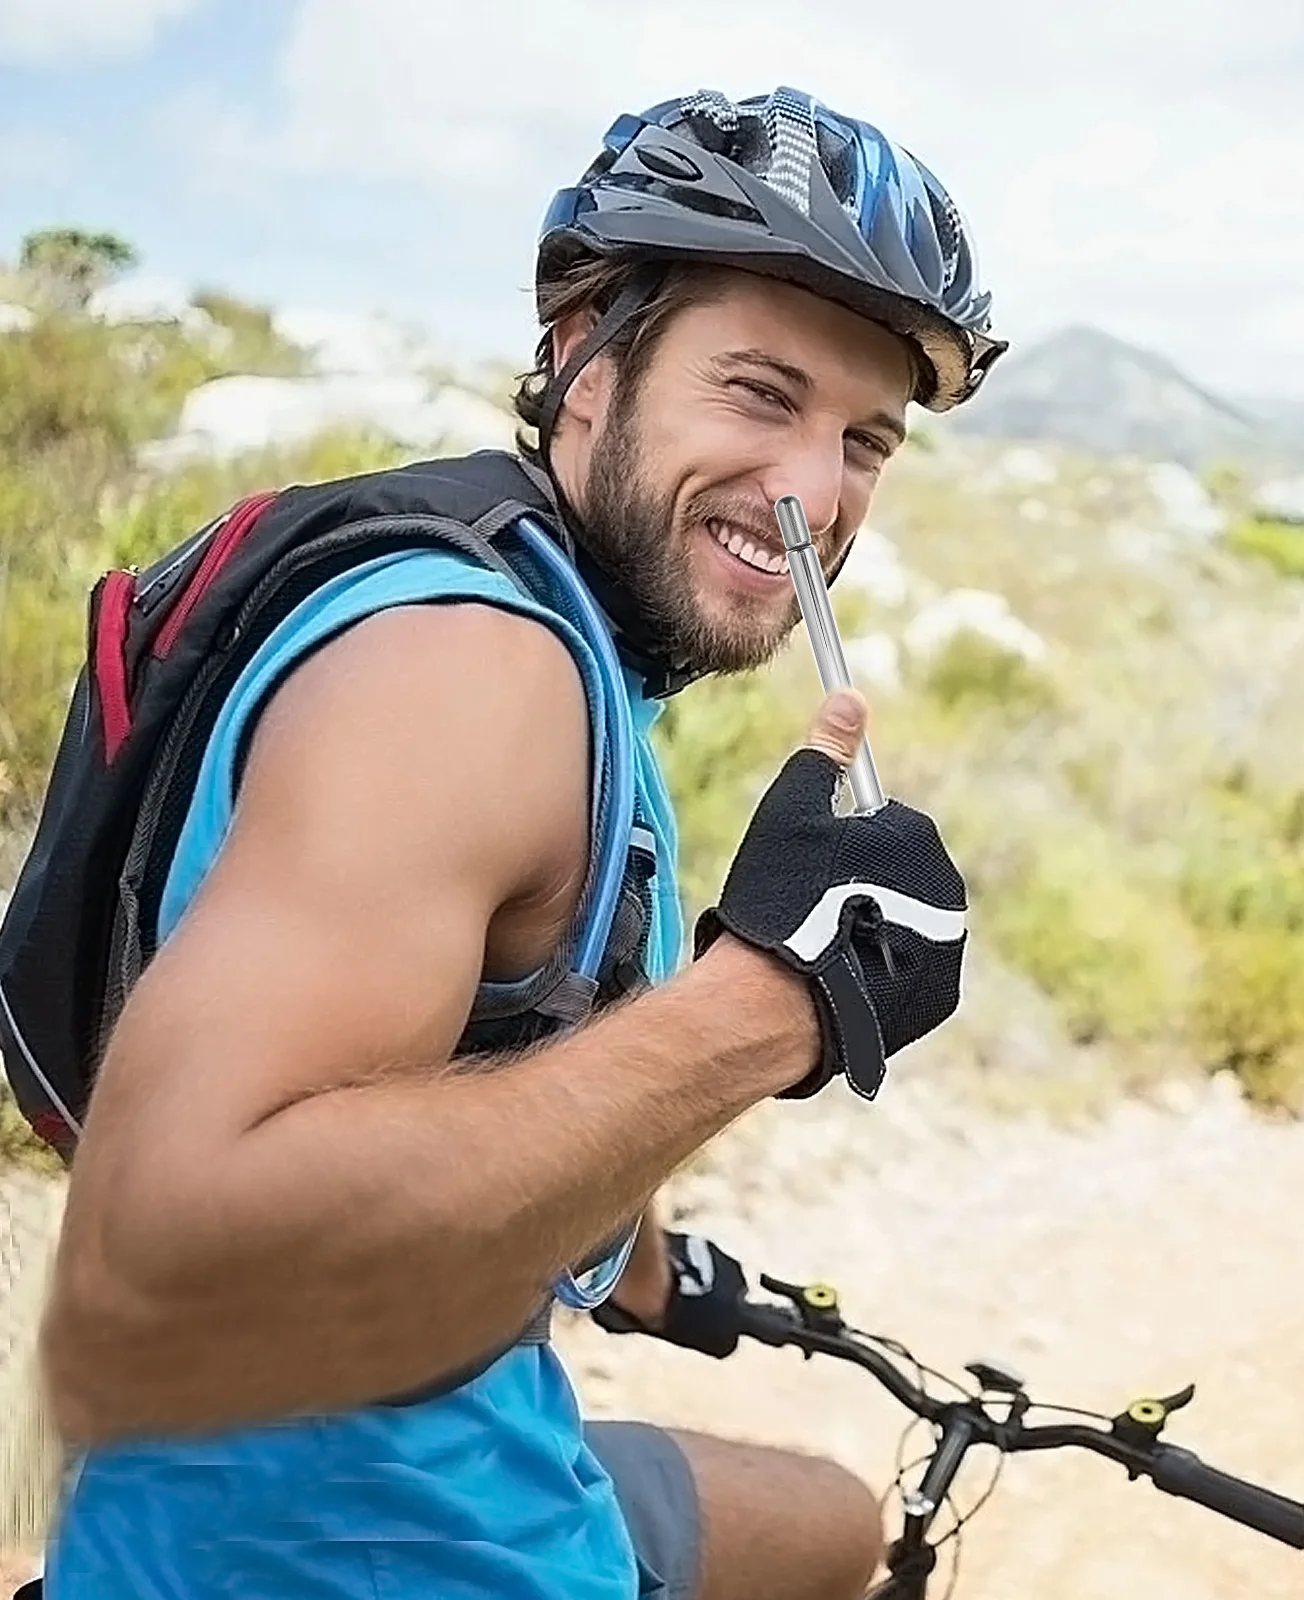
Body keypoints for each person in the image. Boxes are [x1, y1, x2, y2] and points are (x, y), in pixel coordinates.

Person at [32, 85, 1006, 1600]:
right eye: (760, 393)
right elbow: (156, 1270)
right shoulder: (472, 673)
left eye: (865, 439)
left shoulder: (554, 620)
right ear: (585, 353)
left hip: (420, 1463)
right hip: (359, 1559)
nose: (815, 493)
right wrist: (764, 1009)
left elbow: (459, 1068)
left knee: (827, 1520)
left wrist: (658, 1273)